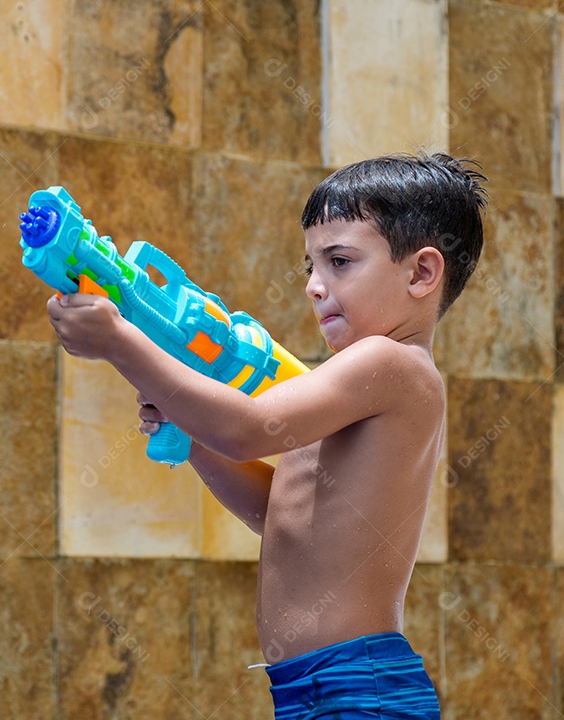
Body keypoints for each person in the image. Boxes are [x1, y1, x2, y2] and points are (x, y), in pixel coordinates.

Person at [47, 153, 488, 719]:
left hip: (357, 689)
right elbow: (278, 512)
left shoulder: (391, 364)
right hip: (314, 688)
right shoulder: (360, 378)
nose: (313, 286)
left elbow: (247, 429)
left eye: (339, 261)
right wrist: (195, 437)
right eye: (310, 265)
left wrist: (118, 343)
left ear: (421, 273)